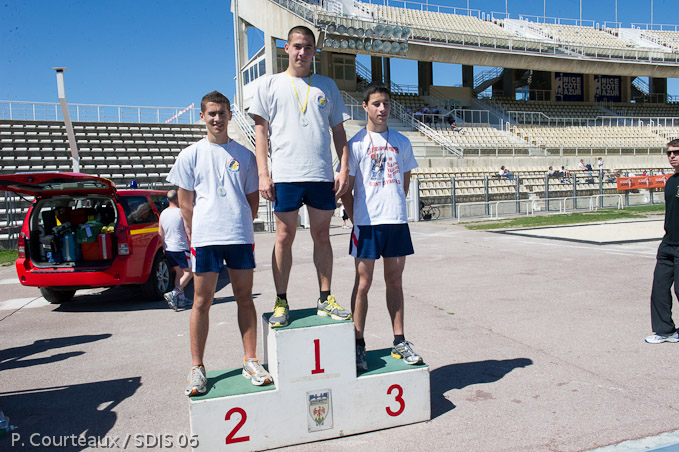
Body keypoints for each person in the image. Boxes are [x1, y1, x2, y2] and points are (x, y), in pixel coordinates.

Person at [167, 90, 272, 396]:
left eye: (222, 113)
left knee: (244, 298)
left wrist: (236, 220)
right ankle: (197, 367)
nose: (217, 118)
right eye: (211, 113)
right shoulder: (190, 155)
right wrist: (203, 226)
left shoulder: (245, 155)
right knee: (201, 301)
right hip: (207, 238)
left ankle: (250, 360)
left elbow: (252, 202)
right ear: (202, 116)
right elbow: (185, 203)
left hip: (239, 236)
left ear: (229, 115)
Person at [249, 25, 352, 328]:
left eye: (308, 47)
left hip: (320, 174)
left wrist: (343, 168)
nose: (302, 52)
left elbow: (339, 131)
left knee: (322, 235)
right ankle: (281, 300)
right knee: (284, 237)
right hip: (286, 174)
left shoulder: (326, 85)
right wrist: (263, 174)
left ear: (314, 51)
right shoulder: (269, 84)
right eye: (297, 46)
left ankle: (325, 298)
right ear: (286, 48)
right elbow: (260, 132)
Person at [340, 82, 423, 371]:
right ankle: (357, 343)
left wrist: (394, 205)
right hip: (367, 225)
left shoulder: (402, 141)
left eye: (386, 103)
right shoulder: (355, 144)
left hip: (396, 222)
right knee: (363, 283)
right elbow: (346, 190)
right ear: (365, 107)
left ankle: (399, 340)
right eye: (376, 103)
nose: (382, 108)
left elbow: (405, 182)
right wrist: (357, 220)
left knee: (395, 282)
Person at [646, 139, 679, 343]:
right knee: (659, 289)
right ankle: (665, 331)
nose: (672, 156)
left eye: (676, 152)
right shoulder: (671, 181)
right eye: (669, 153)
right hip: (668, 244)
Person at [159, 189, 193, 311]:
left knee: (179, 273)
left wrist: (164, 247)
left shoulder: (163, 213)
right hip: (181, 247)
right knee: (190, 271)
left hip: (169, 248)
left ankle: (181, 298)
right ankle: (174, 293)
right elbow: (188, 230)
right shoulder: (181, 212)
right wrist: (192, 244)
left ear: (167, 200)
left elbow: (160, 233)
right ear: (178, 199)